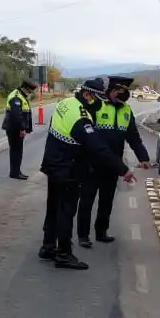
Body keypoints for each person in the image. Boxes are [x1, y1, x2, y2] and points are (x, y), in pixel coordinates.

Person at [39, 77, 135, 270]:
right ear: (86, 94)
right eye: (96, 98)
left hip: (53, 163)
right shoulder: (80, 117)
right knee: (66, 211)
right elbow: (98, 148)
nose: (99, 103)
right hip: (68, 168)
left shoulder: (66, 103)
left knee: (53, 207)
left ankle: (48, 247)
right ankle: (64, 254)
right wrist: (122, 169)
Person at [77, 75, 152, 247]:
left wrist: (144, 158)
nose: (123, 95)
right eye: (120, 91)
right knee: (87, 199)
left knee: (107, 199)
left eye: (125, 92)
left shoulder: (126, 111)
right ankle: (83, 235)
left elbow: (134, 138)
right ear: (111, 91)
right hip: (92, 162)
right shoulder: (96, 106)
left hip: (114, 164)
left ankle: (101, 231)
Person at [2, 79, 35, 179]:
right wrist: (22, 128)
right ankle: (15, 173)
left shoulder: (20, 95)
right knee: (17, 151)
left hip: (15, 128)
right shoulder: (16, 97)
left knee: (16, 150)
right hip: (14, 128)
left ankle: (15, 171)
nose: (30, 93)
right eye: (30, 91)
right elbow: (17, 115)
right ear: (25, 88)